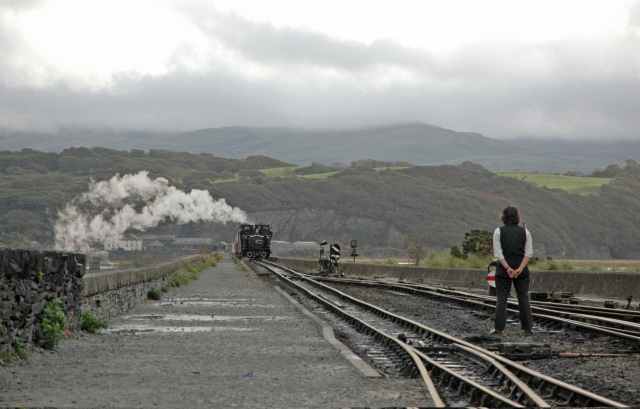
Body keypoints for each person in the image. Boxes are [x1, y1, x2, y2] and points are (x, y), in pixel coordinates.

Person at [490, 203, 534, 337]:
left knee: (502, 298)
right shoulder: (525, 232)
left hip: (504, 269)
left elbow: (498, 253)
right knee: (523, 297)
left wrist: (508, 268)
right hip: (521, 269)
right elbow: (528, 253)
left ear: (503, 217)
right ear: (517, 217)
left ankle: (499, 329)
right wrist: (519, 269)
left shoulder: (498, 231)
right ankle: (527, 329)